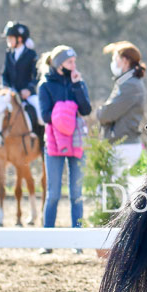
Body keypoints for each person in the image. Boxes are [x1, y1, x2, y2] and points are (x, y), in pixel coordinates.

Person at [37, 45, 91, 248]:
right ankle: (47, 241)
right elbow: (44, 115)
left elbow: (86, 109)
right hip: (54, 143)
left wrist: (77, 86)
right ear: (60, 65)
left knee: (76, 193)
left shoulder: (78, 81)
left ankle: (77, 241)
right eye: (70, 62)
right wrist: (67, 111)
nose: (74, 65)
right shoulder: (45, 85)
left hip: (76, 140)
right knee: (53, 194)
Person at [0, 21, 41, 158]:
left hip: (27, 94)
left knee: (39, 114)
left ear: (20, 39)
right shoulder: (9, 54)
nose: (8, 41)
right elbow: (4, 74)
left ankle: (42, 146)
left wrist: (28, 89)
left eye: (10, 38)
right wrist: (4, 86)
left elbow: (36, 75)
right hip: (9, 94)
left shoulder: (31, 54)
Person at [96, 41, 147, 180]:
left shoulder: (129, 84)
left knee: (111, 190)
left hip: (123, 145)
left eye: (115, 59)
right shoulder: (127, 82)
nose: (113, 63)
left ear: (125, 61)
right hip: (124, 144)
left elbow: (108, 114)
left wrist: (99, 112)